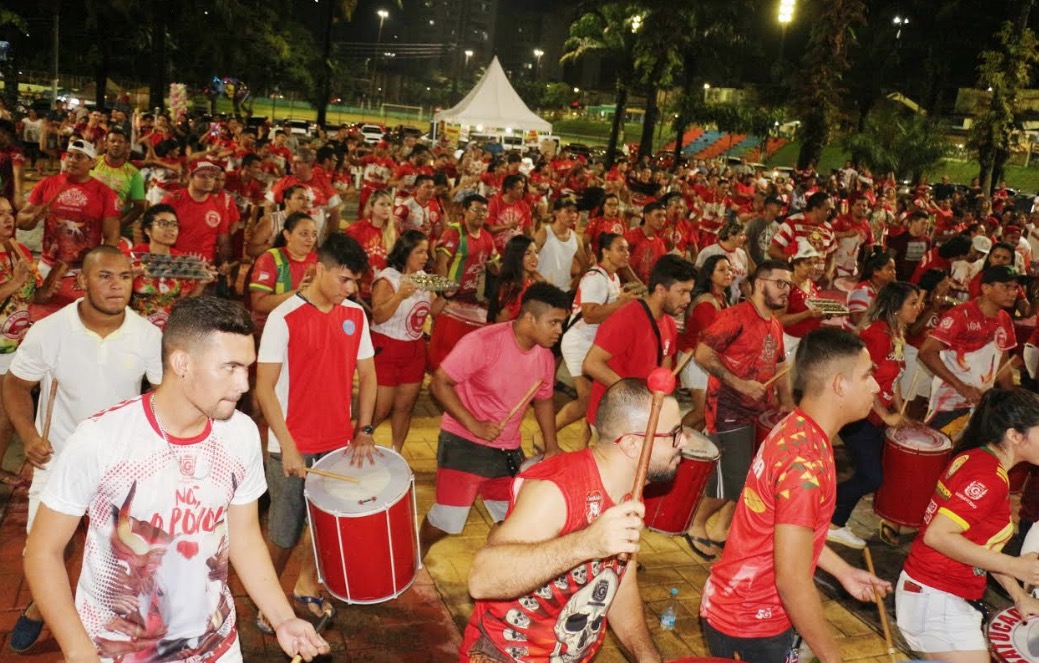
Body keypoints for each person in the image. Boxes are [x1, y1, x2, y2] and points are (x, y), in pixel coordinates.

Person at [23, 296, 329, 662]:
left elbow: (244, 536)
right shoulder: (102, 438)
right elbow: (42, 551)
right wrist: (77, 649)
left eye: (246, 367)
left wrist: (282, 619)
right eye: (229, 367)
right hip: (118, 649)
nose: (244, 384)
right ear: (182, 362)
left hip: (215, 646)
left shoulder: (240, 433)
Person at [5, 245, 164, 652]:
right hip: (57, 458)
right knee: (47, 549)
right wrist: (28, 436)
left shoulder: (148, 336)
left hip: (120, 463)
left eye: (125, 277)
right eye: (105, 276)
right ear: (82, 281)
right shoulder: (50, 331)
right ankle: (47, 607)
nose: (117, 286)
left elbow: (163, 396)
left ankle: (45, 612)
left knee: (124, 555)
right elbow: (16, 386)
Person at [700, 327, 891, 663]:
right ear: (839, 385)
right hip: (751, 624)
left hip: (742, 607)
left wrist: (843, 571)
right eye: (867, 376)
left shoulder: (798, 429)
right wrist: (832, 657)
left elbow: (790, 535)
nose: (876, 387)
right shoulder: (805, 465)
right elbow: (791, 581)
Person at [461, 378, 684, 663]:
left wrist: (648, 657)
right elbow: (482, 580)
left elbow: (619, 585)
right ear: (631, 444)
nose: (685, 441)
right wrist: (587, 543)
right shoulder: (557, 489)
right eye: (675, 433)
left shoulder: (630, 493)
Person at [255, 233, 377, 633]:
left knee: (321, 525)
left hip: (336, 443)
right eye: (344, 279)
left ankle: (306, 585)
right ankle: (267, 598)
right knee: (284, 531)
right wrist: (287, 447)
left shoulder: (354, 315)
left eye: (355, 281)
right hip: (290, 445)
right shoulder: (284, 316)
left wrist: (364, 428)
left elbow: (369, 376)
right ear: (319, 269)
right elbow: (264, 388)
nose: (351, 288)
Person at [420, 283, 569, 557]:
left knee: (512, 520)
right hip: (463, 443)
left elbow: (544, 400)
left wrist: (551, 446)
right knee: (446, 521)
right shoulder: (482, 342)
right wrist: (473, 424)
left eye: (562, 323)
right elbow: (439, 383)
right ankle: (417, 550)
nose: (560, 330)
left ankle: (494, 570)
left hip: (506, 450)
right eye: (554, 322)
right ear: (529, 318)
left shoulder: (545, 358)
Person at [895, 389, 1039, 662]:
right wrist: (1014, 565)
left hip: (932, 595)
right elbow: (937, 535)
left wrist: (1018, 594)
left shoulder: (981, 459)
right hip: (935, 599)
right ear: (1015, 435)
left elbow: (975, 544)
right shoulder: (989, 477)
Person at [686, 259, 795, 559]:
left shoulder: (774, 324)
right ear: (760, 284)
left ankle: (721, 529)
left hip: (757, 411)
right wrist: (741, 384)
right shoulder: (735, 316)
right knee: (732, 476)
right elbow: (703, 354)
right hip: (727, 408)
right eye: (780, 283)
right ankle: (694, 524)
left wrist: (787, 402)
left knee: (748, 477)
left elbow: (782, 365)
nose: (787, 290)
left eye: (789, 284)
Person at [828, 282, 921, 549]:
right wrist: (885, 413)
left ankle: (831, 518)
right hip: (860, 415)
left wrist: (899, 410)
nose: (919, 308)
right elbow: (863, 377)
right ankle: (831, 521)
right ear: (895, 306)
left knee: (872, 473)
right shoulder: (877, 335)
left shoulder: (896, 333)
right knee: (872, 476)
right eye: (912, 303)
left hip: (877, 416)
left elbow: (895, 377)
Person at [583, 254, 695, 426]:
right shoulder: (626, 318)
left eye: (689, 292)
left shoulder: (670, 325)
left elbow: (663, 373)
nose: (687, 299)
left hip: (640, 417)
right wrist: (632, 395)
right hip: (612, 417)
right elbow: (591, 363)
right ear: (660, 290)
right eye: (682, 292)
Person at [16, 138, 121, 314]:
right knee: (41, 315)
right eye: (70, 155)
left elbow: (112, 238)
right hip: (47, 266)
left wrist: (96, 270)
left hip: (84, 270)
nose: (72, 160)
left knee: (83, 319)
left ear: (93, 162)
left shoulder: (105, 193)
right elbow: (21, 222)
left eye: (79, 157)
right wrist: (35, 216)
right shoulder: (47, 184)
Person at [371, 230, 448, 452]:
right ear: (406, 252)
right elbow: (378, 315)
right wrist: (399, 296)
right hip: (386, 346)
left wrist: (445, 297)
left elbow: (432, 310)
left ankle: (396, 452)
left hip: (414, 349)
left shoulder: (423, 277)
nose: (425, 256)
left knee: (404, 408)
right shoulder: (388, 278)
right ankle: (356, 443)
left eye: (426, 251)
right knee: (380, 409)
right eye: (420, 251)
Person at [919, 264, 1019, 435]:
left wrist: (1013, 399)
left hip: (980, 404)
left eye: (1015, 287)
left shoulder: (1005, 319)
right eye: (1006, 287)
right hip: (949, 404)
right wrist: (962, 387)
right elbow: (926, 352)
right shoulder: (960, 315)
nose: (1013, 293)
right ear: (986, 288)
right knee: (940, 452)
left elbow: (1003, 365)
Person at [556, 232, 635, 445]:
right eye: (620, 249)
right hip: (580, 341)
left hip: (592, 342)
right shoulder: (594, 278)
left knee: (594, 400)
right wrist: (621, 303)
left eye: (627, 249)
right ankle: (545, 435)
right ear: (605, 252)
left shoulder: (614, 277)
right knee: (588, 400)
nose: (626, 254)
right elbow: (590, 315)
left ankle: (580, 447)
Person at [0, 196, 47, 488]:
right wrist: (14, 283)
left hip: (14, 346)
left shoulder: (19, 250)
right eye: (0, 214)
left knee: (6, 416)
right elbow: (16, 288)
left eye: (9, 213)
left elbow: (37, 296)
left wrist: (56, 274)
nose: (8, 219)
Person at [128, 204, 215, 328]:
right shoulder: (131, 258)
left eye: (174, 225)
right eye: (163, 224)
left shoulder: (183, 262)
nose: (171, 229)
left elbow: (185, 305)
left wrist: (201, 284)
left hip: (170, 328)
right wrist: (127, 278)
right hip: (136, 328)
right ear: (147, 230)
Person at [678, 254, 734, 433]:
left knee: (707, 413)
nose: (728, 273)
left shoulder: (722, 297)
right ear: (710, 275)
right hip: (694, 358)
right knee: (701, 411)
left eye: (729, 269)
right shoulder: (706, 303)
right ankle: (669, 438)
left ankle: (687, 444)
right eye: (722, 269)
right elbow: (712, 339)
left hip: (704, 357)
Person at [248, 212, 319, 333]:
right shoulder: (269, 259)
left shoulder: (317, 261)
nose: (310, 239)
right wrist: (298, 294)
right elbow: (258, 303)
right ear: (287, 235)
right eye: (304, 234)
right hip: (270, 328)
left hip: (304, 328)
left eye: (314, 234)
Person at [160, 160, 233, 265]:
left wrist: (224, 262)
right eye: (202, 176)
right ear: (190, 177)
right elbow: (158, 234)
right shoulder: (172, 200)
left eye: (212, 176)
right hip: (174, 264)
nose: (209, 180)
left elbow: (223, 240)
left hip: (204, 267)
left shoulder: (219, 206)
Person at [777, 240, 827, 358]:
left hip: (809, 341)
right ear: (795, 264)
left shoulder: (810, 283)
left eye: (814, 263)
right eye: (808, 263)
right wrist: (807, 314)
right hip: (790, 342)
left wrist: (825, 312)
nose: (813, 267)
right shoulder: (786, 286)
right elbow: (779, 320)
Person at [344, 188, 397, 301]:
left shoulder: (394, 234)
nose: (386, 208)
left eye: (389, 205)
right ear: (372, 207)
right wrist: (351, 282)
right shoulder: (356, 230)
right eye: (382, 204)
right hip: (358, 291)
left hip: (382, 292)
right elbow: (345, 259)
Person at [695, 219, 754, 301]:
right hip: (712, 300)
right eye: (741, 235)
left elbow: (744, 282)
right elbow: (698, 277)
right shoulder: (709, 252)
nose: (745, 238)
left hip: (733, 302)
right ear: (731, 236)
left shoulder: (742, 254)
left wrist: (749, 299)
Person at [535, 197, 585, 291]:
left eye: (575, 211)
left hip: (564, 292)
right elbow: (527, 261)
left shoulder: (576, 238)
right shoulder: (543, 234)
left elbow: (585, 266)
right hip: (541, 291)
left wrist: (575, 283)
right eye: (568, 211)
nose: (573, 215)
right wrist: (542, 282)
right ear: (556, 213)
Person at [489, 235, 542, 323]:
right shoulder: (510, 287)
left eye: (536, 252)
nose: (535, 258)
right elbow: (500, 324)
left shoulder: (530, 282)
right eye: (528, 253)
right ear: (516, 256)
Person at [247, 184, 309, 259]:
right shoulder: (271, 220)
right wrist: (275, 245)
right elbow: (251, 250)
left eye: (307, 199)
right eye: (300, 198)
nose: (306, 202)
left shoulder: (308, 223)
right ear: (287, 201)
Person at [846, 251, 897, 328]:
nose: (894, 272)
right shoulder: (861, 291)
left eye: (894, 269)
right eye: (889, 269)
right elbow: (857, 321)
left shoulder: (888, 290)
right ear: (876, 271)